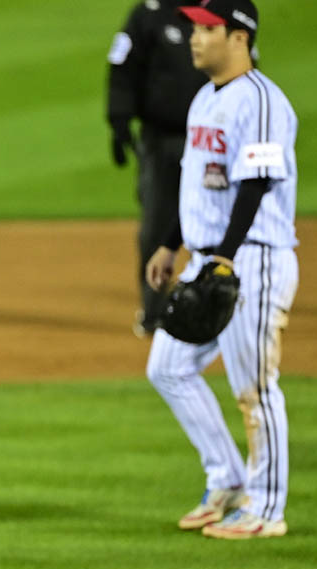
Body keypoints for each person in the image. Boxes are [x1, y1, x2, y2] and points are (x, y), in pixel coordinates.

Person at [146, 0, 297, 539]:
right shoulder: (205, 99)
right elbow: (200, 188)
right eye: (193, 27)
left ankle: (266, 507)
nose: (194, 37)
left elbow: (254, 184)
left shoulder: (257, 100)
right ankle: (228, 479)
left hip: (250, 258)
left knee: (254, 388)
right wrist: (170, 246)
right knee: (167, 367)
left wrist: (226, 257)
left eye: (207, 29)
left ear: (239, 37)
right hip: (211, 259)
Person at [106, 0, 207, 336]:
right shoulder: (148, 14)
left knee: (217, 224)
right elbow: (122, 64)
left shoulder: (218, 13)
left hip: (211, 143)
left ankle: (219, 307)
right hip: (162, 141)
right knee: (156, 227)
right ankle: (155, 312)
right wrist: (119, 121)